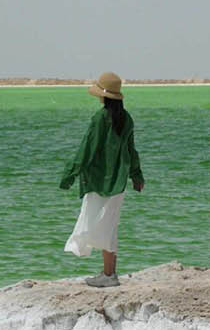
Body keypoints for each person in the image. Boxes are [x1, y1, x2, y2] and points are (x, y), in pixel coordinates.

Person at [59, 71, 145, 287]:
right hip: (118, 181)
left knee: (96, 223)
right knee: (110, 226)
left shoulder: (100, 118)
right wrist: (136, 174)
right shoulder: (126, 119)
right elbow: (131, 150)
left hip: (99, 180)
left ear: (103, 96)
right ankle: (109, 273)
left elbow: (87, 147)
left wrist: (71, 172)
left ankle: (108, 275)